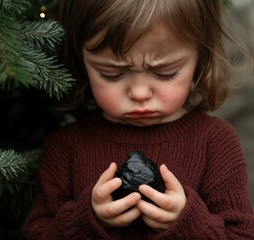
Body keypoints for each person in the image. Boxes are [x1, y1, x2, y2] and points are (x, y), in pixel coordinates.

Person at [22, 0, 254, 239]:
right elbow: (36, 233)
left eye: (165, 73)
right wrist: (88, 219)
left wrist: (187, 220)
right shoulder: (66, 147)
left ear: (200, 58)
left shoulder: (215, 142)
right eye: (112, 74)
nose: (140, 93)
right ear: (82, 61)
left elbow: (241, 234)